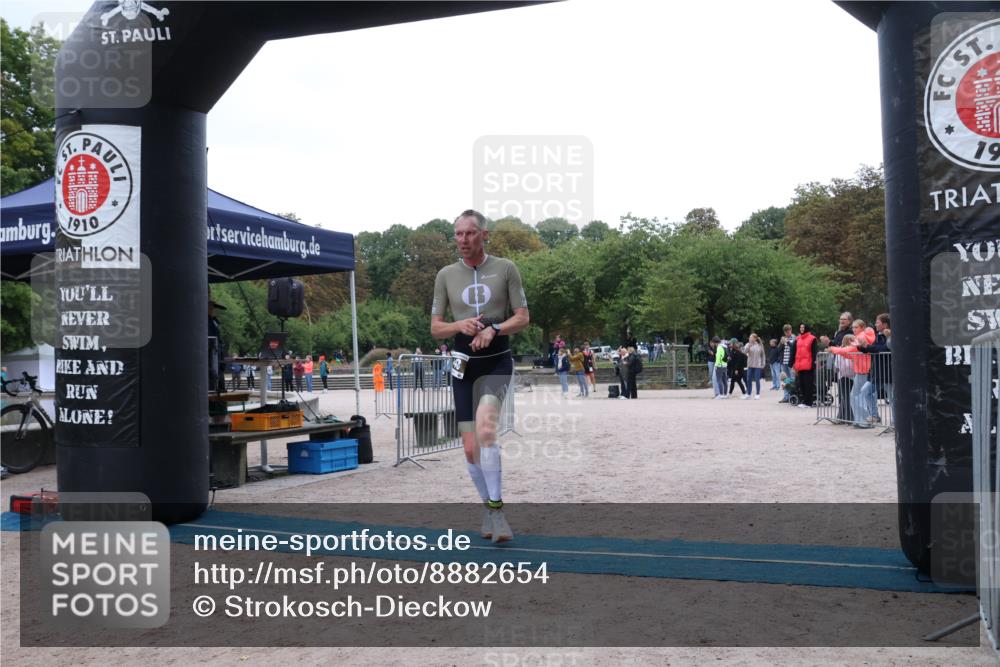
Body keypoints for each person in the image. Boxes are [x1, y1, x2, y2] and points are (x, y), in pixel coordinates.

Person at [430, 209, 529, 543]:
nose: (462, 240)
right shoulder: (445, 274)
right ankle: (488, 507)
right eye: (457, 234)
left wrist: (495, 329)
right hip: (463, 366)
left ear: (484, 235)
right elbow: (435, 329)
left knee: (487, 428)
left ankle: (498, 513)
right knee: (471, 448)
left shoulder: (505, 268)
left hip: (496, 361)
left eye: (469, 233)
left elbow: (523, 318)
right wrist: (459, 325)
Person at [860, 313, 892, 424]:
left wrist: (868, 347)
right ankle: (875, 415)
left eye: (877, 322)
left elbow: (884, 348)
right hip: (877, 371)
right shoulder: (878, 335)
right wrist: (862, 347)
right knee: (865, 390)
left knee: (892, 399)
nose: (875, 324)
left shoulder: (891, 335)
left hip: (889, 372)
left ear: (885, 324)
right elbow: (873, 348)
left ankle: (897, 423)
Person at [791, 323, 818, 408]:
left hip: (808, 365)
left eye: (803, 327)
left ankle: (809, 402)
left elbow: (814, 352)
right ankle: (804, 401)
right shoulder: (798, 339)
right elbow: (793, 351)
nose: (801, 328)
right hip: (799, 365)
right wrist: (791, 363)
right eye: (800, 327)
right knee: (801, 384)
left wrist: (814, 363)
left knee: (808, 384)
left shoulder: (812, 339)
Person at [207, 294, 228, 393]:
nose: (212, 309)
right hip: (211, 358)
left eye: (212, 307)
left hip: (217, 356)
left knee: (220, 380)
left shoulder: (213, 321)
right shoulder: (205, 321)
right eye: (210, 307)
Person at [743, 333, 766, 399]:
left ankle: (757, 394)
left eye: (751, 337)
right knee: (748, 379)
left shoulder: (759, 345)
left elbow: (763, 355)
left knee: (757, 380)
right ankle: (748, 393)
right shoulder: (748, 344)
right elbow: (744, 352)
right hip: (750, 365)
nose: (750, 338)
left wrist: (763, 363)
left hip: (757, 365)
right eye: (749, 337)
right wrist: (749, 346)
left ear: (755, 338)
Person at [779, 324, 795, 403]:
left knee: (792, 379)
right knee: (785, 379)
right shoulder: (783, 338)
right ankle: (785, 397)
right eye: (785, 332)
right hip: (784, 362)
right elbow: (779, 350)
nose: (787, 333)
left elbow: (793, 347)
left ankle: (792, 395)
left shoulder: (794, 338)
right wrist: (781, 343)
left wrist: (787, 342)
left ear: (791, 330)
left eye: (788, 331)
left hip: (791, 362)